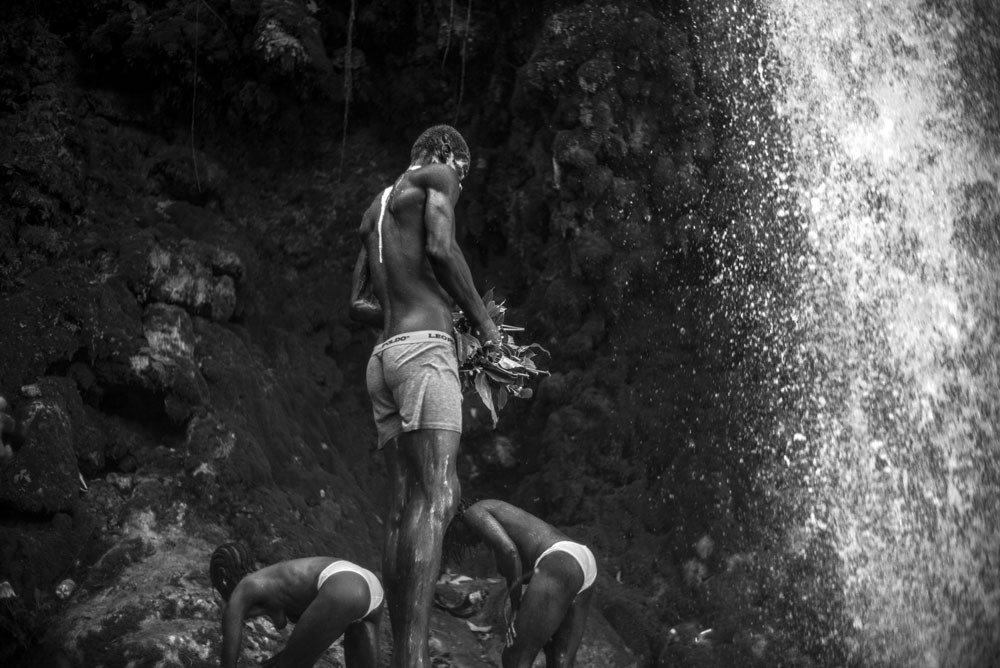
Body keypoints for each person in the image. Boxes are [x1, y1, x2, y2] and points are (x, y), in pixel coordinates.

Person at [348, 125, 502, 668]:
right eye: (461, 173)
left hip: (384, 357)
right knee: (438, 496)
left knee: (403, 506)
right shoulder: (438, 174)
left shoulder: (377, 207)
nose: (458, 184)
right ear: (443, 155)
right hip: (421, 353)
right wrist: (484, 327)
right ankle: (411, 660)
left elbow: (360, 302)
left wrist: (437, 307)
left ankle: (401, 654)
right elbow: (442, 246)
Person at [444, 499, 597, 668]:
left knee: (514, 658)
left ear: (456, 521)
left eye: (455, 536)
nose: (463, 543)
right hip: (583, 560)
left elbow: (509, 552)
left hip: (561, 561)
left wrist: (515, 607)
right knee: (560, 659)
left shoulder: (473, 513)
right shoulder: (497, 512)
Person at [209, 543, 383, 668]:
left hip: (343, 587)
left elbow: (228, 658)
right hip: (369, 589)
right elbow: (314, 636)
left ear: (223, 578)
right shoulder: (267, 581)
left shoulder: (244, 588)